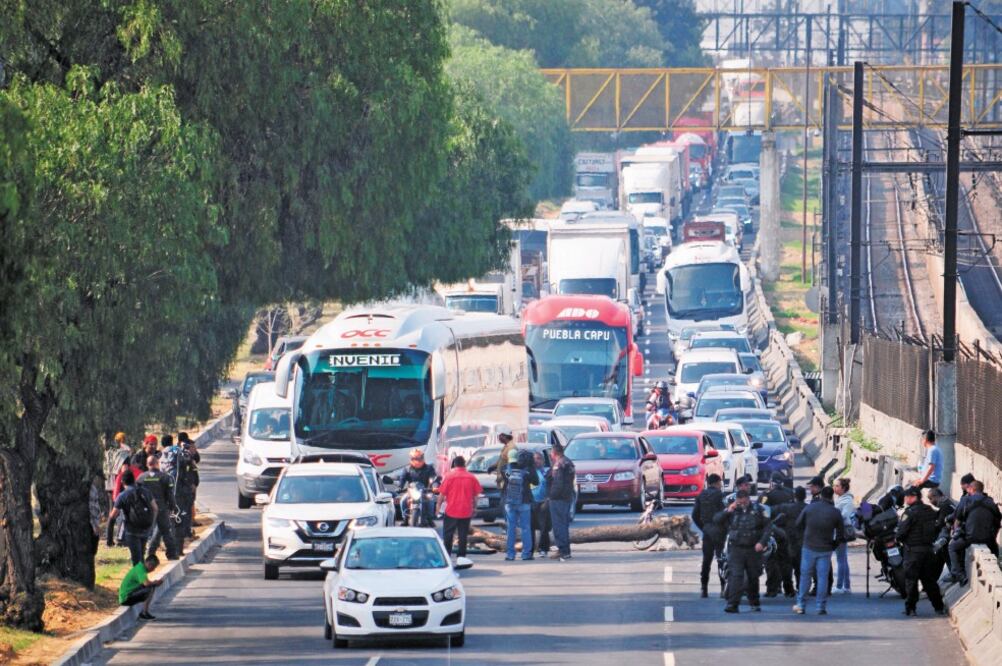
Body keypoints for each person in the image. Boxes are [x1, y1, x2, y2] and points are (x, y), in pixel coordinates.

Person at [714, 489, 772, 613]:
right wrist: (728, 511)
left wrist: (762, 542)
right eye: (740, 502)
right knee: (736, 576)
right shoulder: (732, 510)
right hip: (736, 548)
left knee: (753, 577)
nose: (742, 504)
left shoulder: (758, 510)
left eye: (744, 502)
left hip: (753, 549)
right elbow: (716, 520)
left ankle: (754, 602)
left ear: (748, 499)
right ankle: (732, 604)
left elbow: (768, 527)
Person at [793, 486, 844, 615]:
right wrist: (833, 545)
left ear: (821, 495)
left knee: (805, 576)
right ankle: (820, 606)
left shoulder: (810, 508)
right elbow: (841, 535)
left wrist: (803, 539)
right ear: (832, 496)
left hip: (808, 547)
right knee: (822, 578)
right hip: (825, 549)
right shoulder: (835, 512)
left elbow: (798, 524)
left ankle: (801, 605)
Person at [896, 487, 947, 616]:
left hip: (913, 552)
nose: (905, 499)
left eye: (907, 497)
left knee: (911, 581)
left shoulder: (909, 513)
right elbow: (938, 526)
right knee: (929, 581)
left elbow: (901, 533)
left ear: (914, 497)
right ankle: (938, 607)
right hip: (928, 551)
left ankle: (911, 608)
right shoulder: (930, 510)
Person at [947, 480, 1001, 585]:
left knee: (952, 547)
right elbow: (997, 523)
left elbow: (957, 519)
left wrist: (955, 533)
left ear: (972, 489)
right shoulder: (991, 502)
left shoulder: (966, 500)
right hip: (988, 538)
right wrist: (992, 536)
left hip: (970, 537)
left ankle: (959, 575)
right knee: (995, 551)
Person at [109, 469, 159, 565]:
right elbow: (155, 508)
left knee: (136, 558)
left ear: (122, 482)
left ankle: (139, 579)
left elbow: (112, 516)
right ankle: (143, 579)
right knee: (141, 555)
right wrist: (151, 524)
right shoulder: (145, 491)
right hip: (145, 529)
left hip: (132, 531)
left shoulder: (122, 495)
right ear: (134, 480)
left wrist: (109, 538)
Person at [436, 455, 482, 559]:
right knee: (463, 535)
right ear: (464, 464)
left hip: (451, 510)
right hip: (466, 511)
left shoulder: (449, 477)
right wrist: (474, 508)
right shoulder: (471, 477)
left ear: (454, 464)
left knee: (448, 534)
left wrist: (438, 507)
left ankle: (447, 555)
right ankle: (461, 556)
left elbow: (441, 495)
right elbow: (475, 496)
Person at [138, 455, 180, 560]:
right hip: (161, 508)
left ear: (147, 465)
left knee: (144, 533)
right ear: (157, 463)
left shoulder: (141, 478)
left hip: (146, 510)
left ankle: (144, 554)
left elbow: (136, 494)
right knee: (166, 531)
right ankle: (171, 554)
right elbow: (170, 494)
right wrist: (173, 506)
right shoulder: (165, 477)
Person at [501, 448, 539, 561]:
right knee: (526, 528)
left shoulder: (505, 469)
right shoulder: (527, 470)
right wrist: (531, 467)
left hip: (509, 502)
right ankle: (526, 554)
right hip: (524, 501)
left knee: (511, 528)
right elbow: (536, 482)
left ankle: (510, 554)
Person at [692, 473, 726, 598]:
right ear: (717, 483)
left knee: (706, 561)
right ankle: (723, 588)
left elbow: (695, 515)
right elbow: (725, 513)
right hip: (719, 531)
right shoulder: (720, 495)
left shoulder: (701, 495)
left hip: (707, 531)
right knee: (721, 560)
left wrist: (703, 527)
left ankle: (704, 588)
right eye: (720, 483)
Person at [546, 441, 576, 562]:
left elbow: (558, 483)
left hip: (558, 499)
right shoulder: (569, 462)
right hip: (567, 497)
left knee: (559, 526)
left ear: (554, 453)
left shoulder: (559, 464)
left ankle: (563, 551)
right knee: (564, 525)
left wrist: (551, 496)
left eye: (551, 453)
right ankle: (565, 550)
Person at [777, 487, 808, 593]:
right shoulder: (808, 508)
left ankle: (788, 589)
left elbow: (775, 515)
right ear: (805, 496)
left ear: (795, 496)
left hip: (789, 540)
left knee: (787, 566)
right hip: (804, 541)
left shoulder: (787, 508)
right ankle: (801, 588)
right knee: (801, 567)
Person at [104, 432, 132, 545]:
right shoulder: (124, 452)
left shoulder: (108, 453)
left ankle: (109, 540)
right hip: (119, 484)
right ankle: (121, 539)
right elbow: (125, 469)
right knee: (124, 513)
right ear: (123, 439)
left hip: (109, 485)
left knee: (112, 512)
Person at [399, 448, 438, 525]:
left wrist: (434, 486)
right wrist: (400, 486)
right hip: (412, 491)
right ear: (411, 459)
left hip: (425, 491)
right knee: (402, 500)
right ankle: (405, 519)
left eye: (420, 458)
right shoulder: (407, 469)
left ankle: (430, 518)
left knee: (431, 500)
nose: (418, 460)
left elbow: (433, 478)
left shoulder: (429, 468)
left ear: (423, 458)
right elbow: (402, 478)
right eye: (415, 458)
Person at [119, 554, 164, 620]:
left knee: (151, 586)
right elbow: (146, 583)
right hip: (126, 598)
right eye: (153, 567)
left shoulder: (140, 568)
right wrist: (155, 582)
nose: (153, 570)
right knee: (150, 588)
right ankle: (144, 613)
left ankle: (145, 612)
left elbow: (144, 583)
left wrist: (154, 583)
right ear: (148, 564)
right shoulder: (140, 569)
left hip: (130, 594)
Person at [927, 487, 957, 579]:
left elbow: (940, 524)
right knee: (940, 558)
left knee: (942, 554)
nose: (930, 501)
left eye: (931, 498)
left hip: (949, 535)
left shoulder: (945, 505)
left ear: (936, 496)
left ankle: (953, 574)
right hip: (950, 534)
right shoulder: (946, 502)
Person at [833, 478, 856, 594]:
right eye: (834, 486)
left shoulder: (847, 501)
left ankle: (839, 586)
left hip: (841, 531)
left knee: (841, 559)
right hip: (839, 530)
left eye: (837, 486)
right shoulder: (841, 499)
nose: (834, 488)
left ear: (843, 488)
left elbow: (844, 516)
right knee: (843, 559)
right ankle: (846, 586)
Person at [530, 452, 552, 556]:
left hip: (543, 503)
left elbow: (551, 486)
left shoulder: (546, 472)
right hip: (531, 503)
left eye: (539, 459)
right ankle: (530, 549)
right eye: (534, 459)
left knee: (544, 527)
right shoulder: (529, 472)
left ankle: (543, 549)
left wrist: (548, 499)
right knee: (530, 527)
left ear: (543, 461)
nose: (536, 461)